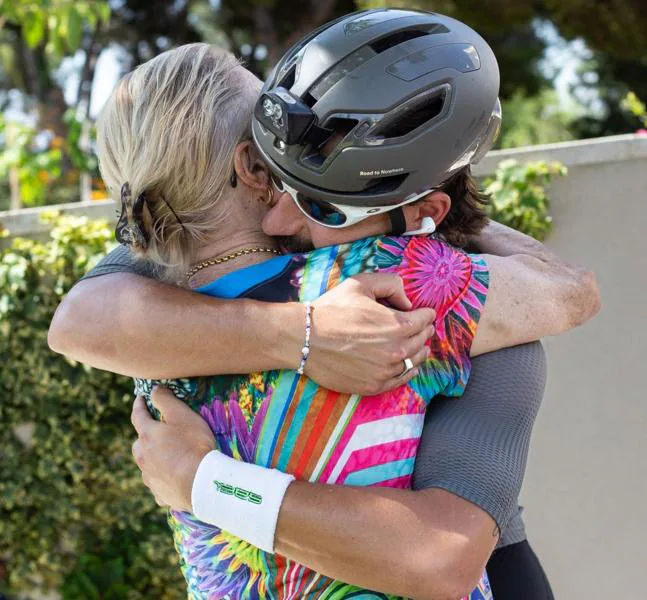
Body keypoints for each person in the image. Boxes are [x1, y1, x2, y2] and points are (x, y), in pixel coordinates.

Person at [48, 10, 600, 600]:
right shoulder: (395, 284)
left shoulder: (150, 323)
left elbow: (78, 321)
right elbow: (568, 290)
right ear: (256, 167)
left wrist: (203, 481)